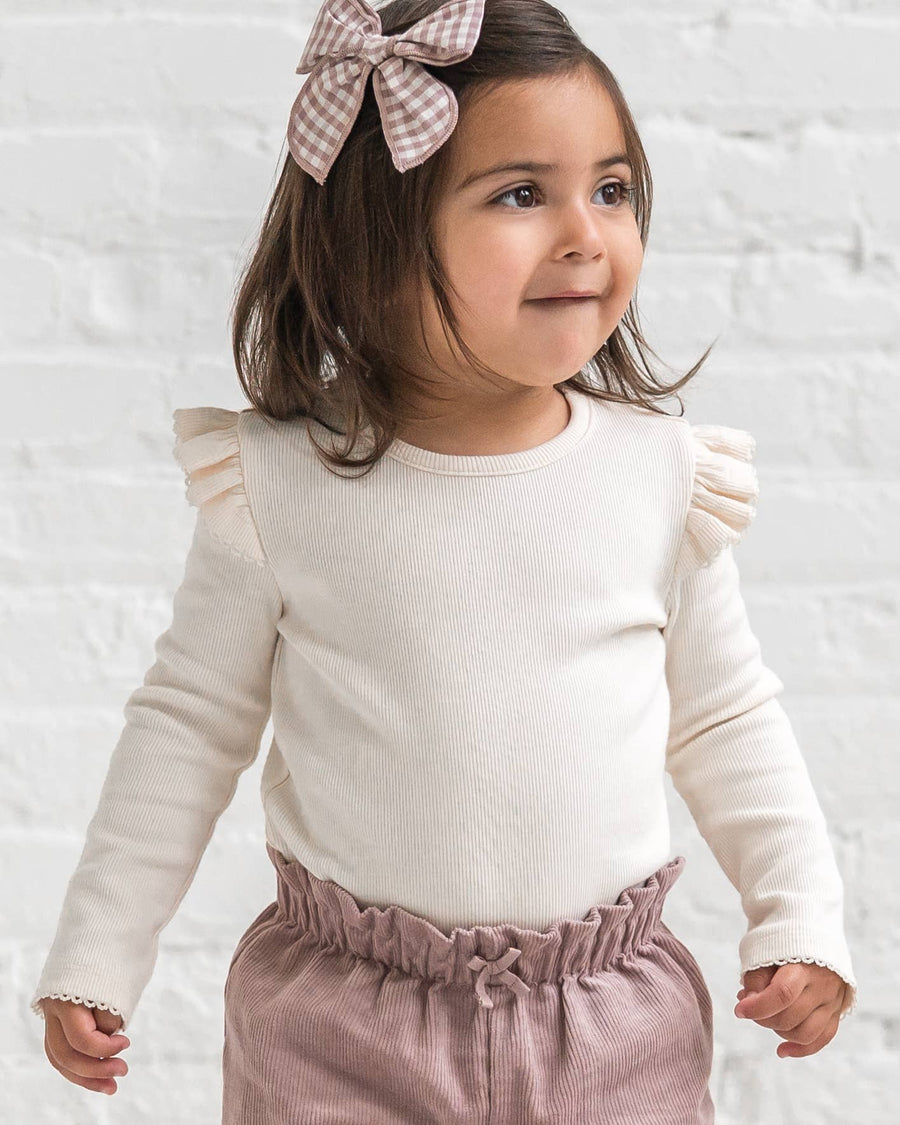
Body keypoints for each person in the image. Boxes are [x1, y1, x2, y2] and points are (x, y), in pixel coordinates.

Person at [32, 0, 857, 1121]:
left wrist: (798, 913)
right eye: (523, 194)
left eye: (611, 190)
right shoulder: (279, 484)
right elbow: (187, 723)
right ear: (377, 236)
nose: (586, 233)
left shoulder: (661, 477)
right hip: (338, 1026)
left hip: (606, 1024)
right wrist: (99, 948)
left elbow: (725, 717)